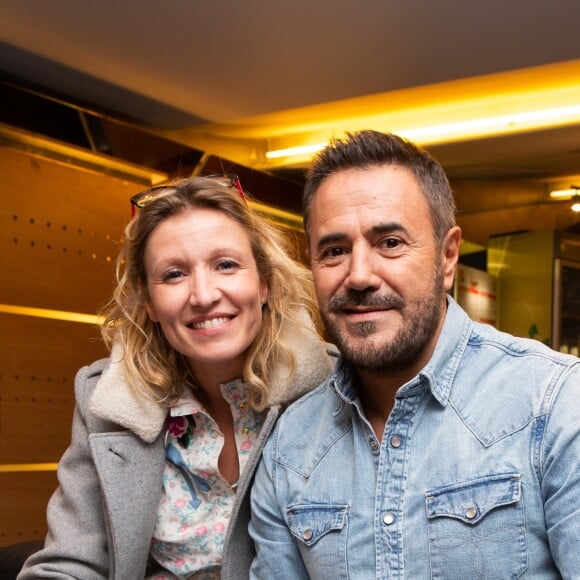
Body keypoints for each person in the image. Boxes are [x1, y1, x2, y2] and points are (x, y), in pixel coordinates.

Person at [248, 130, 580, 578]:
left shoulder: (553, 403)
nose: (359, 275)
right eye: (334, 251)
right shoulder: (290, 447)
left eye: (390, 243)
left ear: (447, 258)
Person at [18, 175, 334, 580]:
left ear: (264, 283)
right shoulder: (106, 401)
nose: (203, 295)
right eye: (173, 274)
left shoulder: (333, 388)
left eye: (226, 265)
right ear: (148, 301)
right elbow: (70, 563)